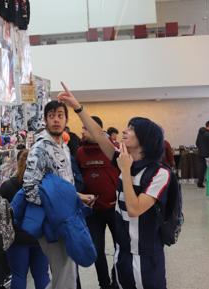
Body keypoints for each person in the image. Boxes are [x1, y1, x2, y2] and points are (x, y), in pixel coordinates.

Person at [58, 82, 171, 289]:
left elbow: (135, 208)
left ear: (145, 140)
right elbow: (100, 136)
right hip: (123, 252)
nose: (124, 131)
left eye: (131, 129)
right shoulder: (122, 158)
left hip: (146, 256)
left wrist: (125, 171)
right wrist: (77, 107)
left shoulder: (160, 173)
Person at [23, 100, 95, 289]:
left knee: (67, 272)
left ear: (66, 119)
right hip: (52, 221)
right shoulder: (39, 149)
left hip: (68, 217)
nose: (56, 120)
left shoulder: (63, 146)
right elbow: (30, 189)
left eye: (60, 115)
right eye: (52, 116)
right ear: (45, 120)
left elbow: (62, 187)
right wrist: (55, 207)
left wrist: (78, 196)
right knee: (64, 273)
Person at [76, 115, 119, 289]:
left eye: (86, 128)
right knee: (96, 250)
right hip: (92, 212)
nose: (83, 131)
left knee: (120, 248)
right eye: (83, 128)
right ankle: (104, 284)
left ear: (98, 130)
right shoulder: (79, 153)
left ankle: (116, 281)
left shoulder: (112, 150)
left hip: (115, 209)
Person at [0, 149, 50, 289]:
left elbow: (1, 215)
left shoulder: (7, 186)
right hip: (39, 237)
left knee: (19, 275)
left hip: (16, 239)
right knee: (42, 275)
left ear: (18, 164)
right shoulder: (44, 186)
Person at [195, 121, 209, 188]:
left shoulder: (200, 133)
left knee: (201, 169)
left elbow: (197, 143)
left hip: (200, 153)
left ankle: (200, 183)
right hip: (208, 155)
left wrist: (201, 149)